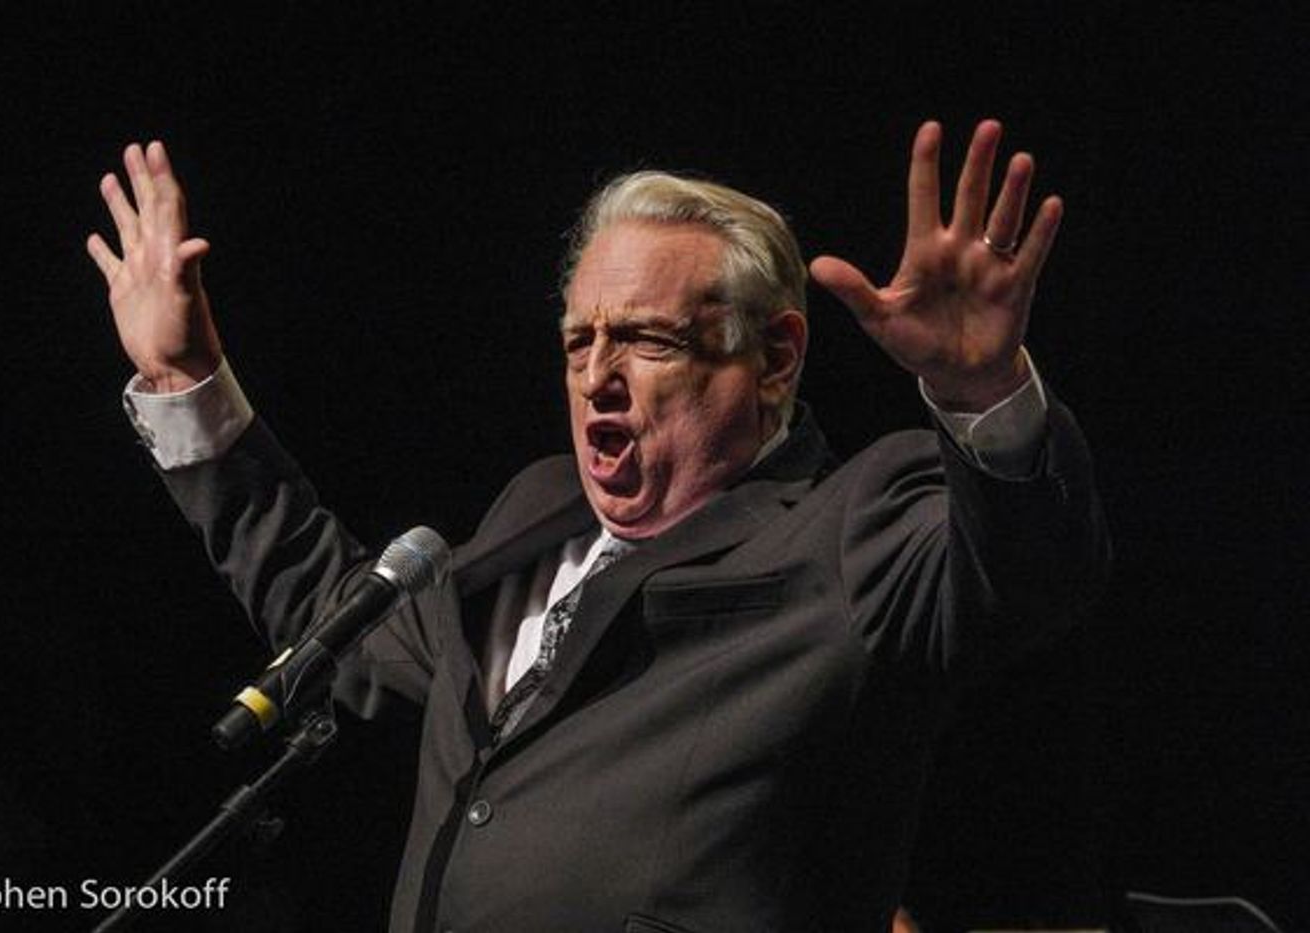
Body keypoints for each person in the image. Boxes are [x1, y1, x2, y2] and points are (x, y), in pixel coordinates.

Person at [87, 120, 1109, 933]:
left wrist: (980, 390)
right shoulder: (535, 514)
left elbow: (1028, 573)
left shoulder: (849, 527)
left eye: (644, 339)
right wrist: (186, 387)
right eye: (577, 341)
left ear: (775, 358)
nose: (594, 378)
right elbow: (337, 629)